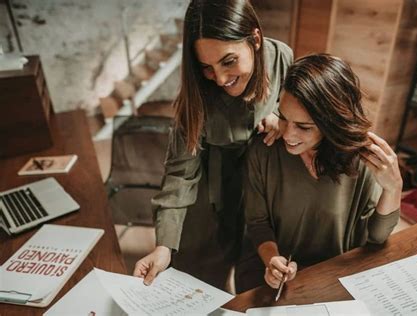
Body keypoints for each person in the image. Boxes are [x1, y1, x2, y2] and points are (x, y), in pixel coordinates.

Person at [133, 0, 293, 291]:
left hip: (264, 186)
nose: (220, 79)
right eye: (207, 67)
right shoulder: (194, 102)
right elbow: (179, 176)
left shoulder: (282, 56)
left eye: (229, 61)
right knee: (202, 279)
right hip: (210, 192)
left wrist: (282, 116)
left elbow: (295, 103)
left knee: (260, 275)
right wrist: (164, 246)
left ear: (255, 39)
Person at [238, 54, 402, 291]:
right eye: (283, 118)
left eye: (303, 127)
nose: (288, 134)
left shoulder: (361, 156)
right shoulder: (263, 150)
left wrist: (393, 187)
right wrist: (273, 260)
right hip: (268, 278)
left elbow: (376, 237)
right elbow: (257, 223)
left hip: (335, 278)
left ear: (331, 124)